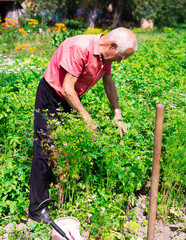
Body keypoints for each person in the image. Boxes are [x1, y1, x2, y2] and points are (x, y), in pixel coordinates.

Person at [28, 27, 137, 223]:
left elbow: (108, 81)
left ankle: (61, 195)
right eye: (121, 56)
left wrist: (117, 113)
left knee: (67, 147)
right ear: (112, 46)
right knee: (44, 149)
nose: (120, 60)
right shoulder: (79, 47)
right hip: (52, 95)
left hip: (71, 98)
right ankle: (37, 209)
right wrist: (87, 118)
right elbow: (66, 88)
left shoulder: (106, 57)